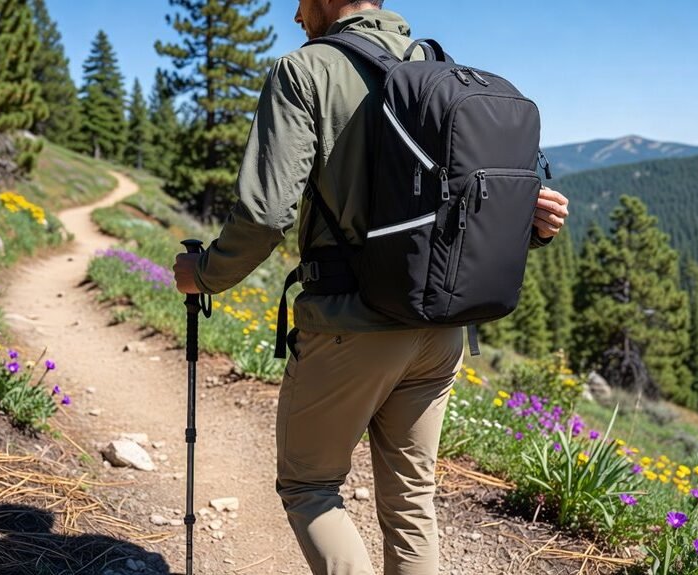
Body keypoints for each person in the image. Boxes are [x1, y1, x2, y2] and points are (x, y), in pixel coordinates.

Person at [172, 1, 569, 573]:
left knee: (311, 487)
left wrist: (205, 273)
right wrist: (531, 230)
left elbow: (264, 217)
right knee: (412, 504)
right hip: (440, 328)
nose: (295, 15)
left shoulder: (305, 70)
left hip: (350, 326)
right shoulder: (435, 66)